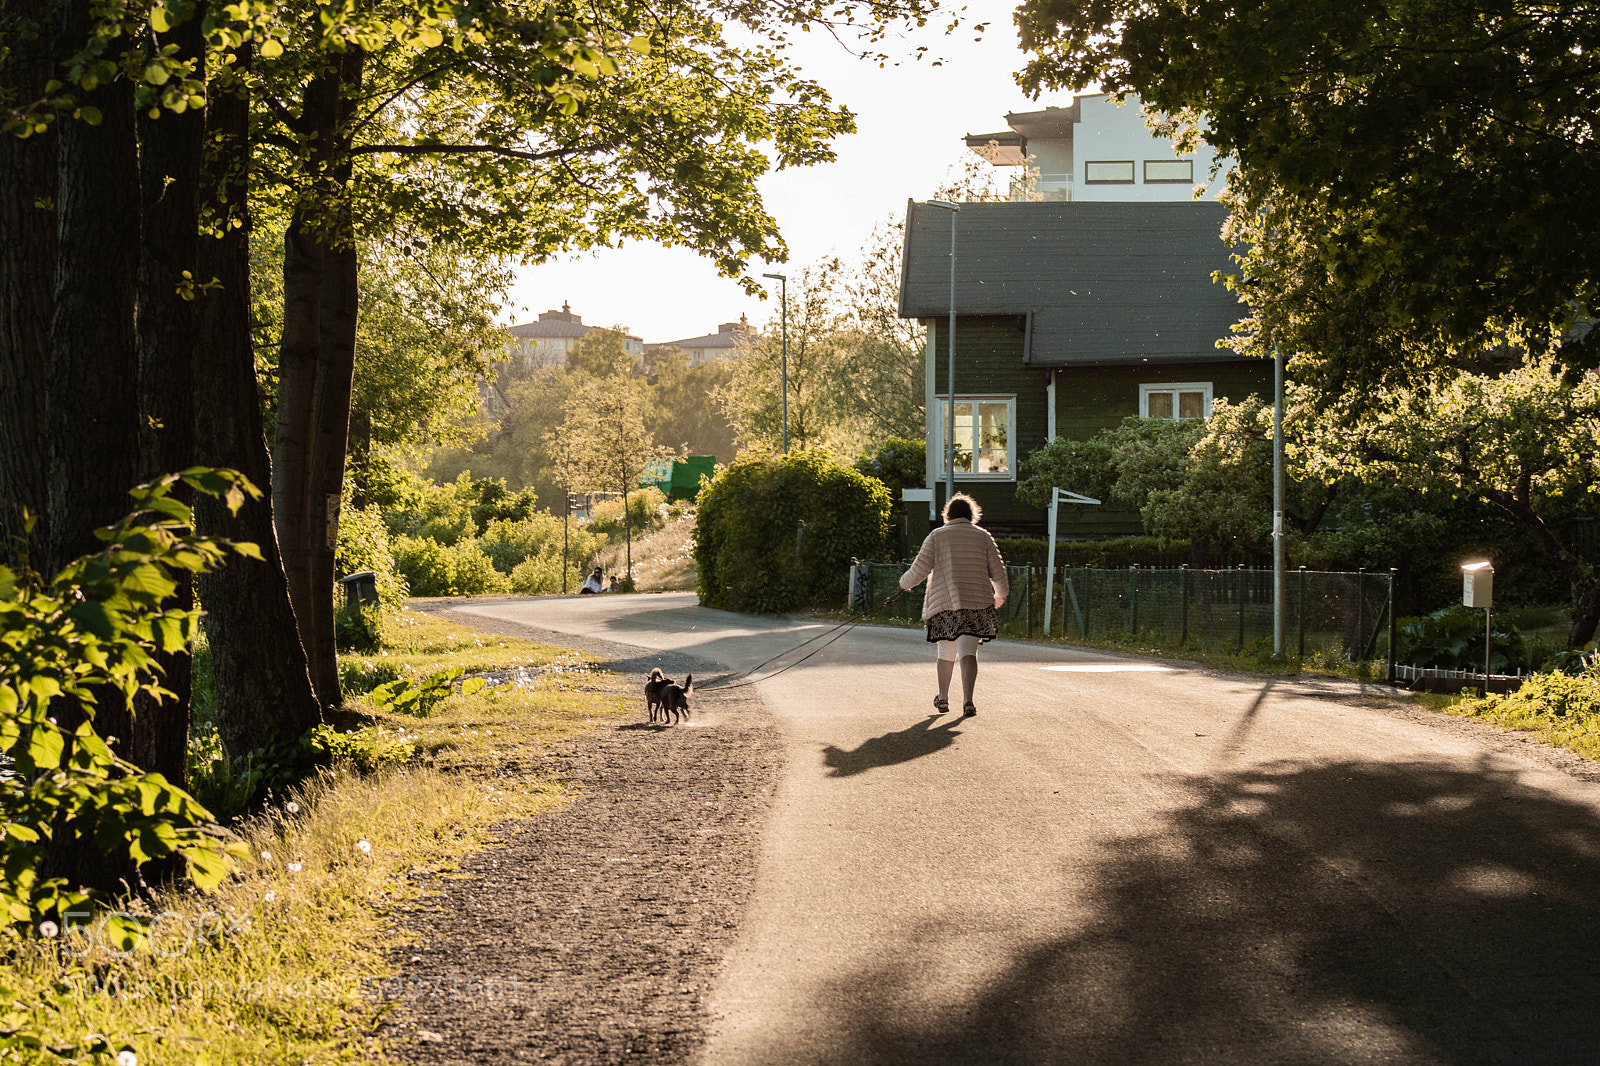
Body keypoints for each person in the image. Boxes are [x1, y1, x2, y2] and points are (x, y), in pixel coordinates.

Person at [898, 493, 1008, 717]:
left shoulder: (937, 536)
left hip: (945, 604)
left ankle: (944, 698)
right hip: (976, 605)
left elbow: (919, 569)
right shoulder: (983, 537)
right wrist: (1001, 594)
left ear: (947, 515)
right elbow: (998, 573)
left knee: (945, 652)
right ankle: (968, 701)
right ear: (972, 515)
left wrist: (904, 584)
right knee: (969, 652)